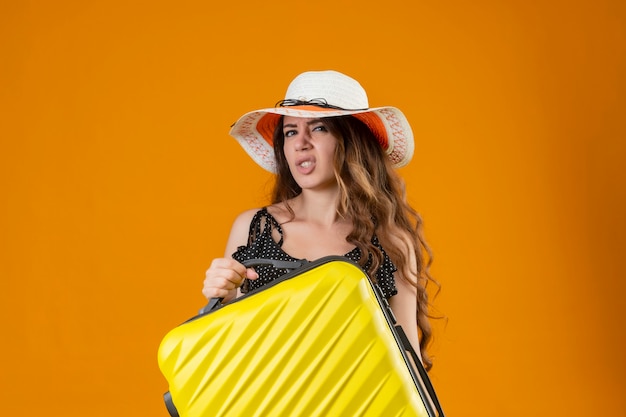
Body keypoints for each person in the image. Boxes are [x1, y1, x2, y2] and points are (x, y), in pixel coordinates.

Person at [202, 70, 437, 370]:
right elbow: (227, 350)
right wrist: (220, 298)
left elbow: (408, 364)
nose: (301, 142)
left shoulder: (391, 242)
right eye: (290, 132)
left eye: (319, 129)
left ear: (351, 142)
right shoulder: (253, 228)